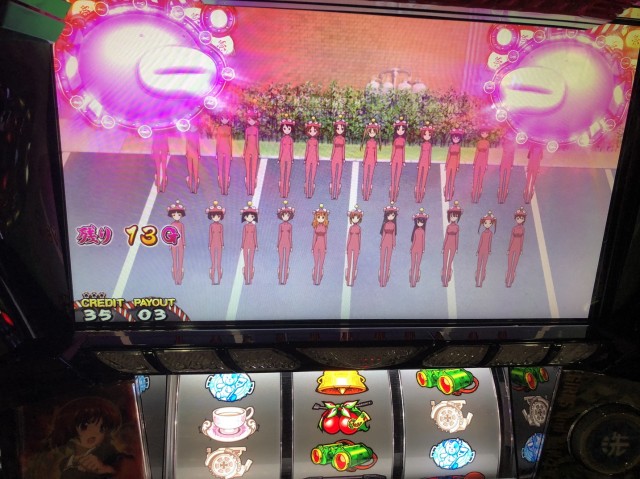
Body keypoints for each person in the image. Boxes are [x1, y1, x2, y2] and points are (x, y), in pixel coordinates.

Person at [49, 396, 131, 479]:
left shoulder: (110, 453)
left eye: (101, 428)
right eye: (84, 427)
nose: (94, 433)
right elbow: (64, 463)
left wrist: (105, 469)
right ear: (69, 429)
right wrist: (75, 460)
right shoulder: (67, 458)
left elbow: (124, 470)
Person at [442, 200, 462, 287]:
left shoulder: (457, 227)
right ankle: (444, 278)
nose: (453, 217)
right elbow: (446, 237)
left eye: (455, 216)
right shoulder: (448, 226)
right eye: (452, 216)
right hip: (447, 245)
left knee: (449, 263)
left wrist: (457, 248)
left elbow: (457, 238)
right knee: (445, 262)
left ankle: (447, 277)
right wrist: (443, 247)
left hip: (453, 246)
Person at [360, 118, 380, 201]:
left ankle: (368, 189)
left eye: (373, 133)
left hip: (372, 160)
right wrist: (364, 160)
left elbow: (375, 153)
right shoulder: (368, 142)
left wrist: (375, 161)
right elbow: (365, 152)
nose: (372, 134)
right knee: (365, 175)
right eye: (370, 132)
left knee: (370, 175)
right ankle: (364, 187)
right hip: (367, 160)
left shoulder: (375, 143)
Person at [379, 202, 399, 287]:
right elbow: (383, 235)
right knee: (382, 260)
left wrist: (394, 244)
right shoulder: (385, 224)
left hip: (390, 242)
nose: (391, 217)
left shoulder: (394, 225)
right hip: (384, 242)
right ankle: (381, 279)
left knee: (388, 261)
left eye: (393, 215)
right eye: (389, 215)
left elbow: (394, 235)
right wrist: (381, 244)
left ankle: (385, 278)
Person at [506, 207, 526, 287]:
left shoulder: (523, 229)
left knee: (514, 265)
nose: (519, 220)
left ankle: (511, 280)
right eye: (518, 218)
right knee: (509, 264)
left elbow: (522, 239)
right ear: (516, 219)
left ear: (523, 219)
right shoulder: (514, 228)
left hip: (518, 247)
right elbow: (511, 238)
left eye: (521, 218)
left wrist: (521, 249)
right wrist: (508, 249)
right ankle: (507, 279)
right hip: (512, 246)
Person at [475, 211, 497, 287]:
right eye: (485, 223)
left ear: (491, 224)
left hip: (486, 251)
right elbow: (480, 242)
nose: (487, 224)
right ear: (483, 223)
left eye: (489, 223)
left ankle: (480, 282)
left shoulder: (490, 233)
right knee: (478, 266)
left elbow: (490, 242)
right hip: (481, 250)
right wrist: (478, 251)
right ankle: (477, 281)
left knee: (483, 266)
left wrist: (489, 250)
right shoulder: (483, 233)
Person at [167, 200, 186, 285]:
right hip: (174, 244)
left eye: (179, 214)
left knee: (180, 261)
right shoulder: (172, 224)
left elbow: (183, 234)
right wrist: (170, 244)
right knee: (175, 261)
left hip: (181, 244)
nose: (176, 216)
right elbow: (170, 235)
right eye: (174, 215)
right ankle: (175, 279)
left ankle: (180, 279)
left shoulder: (181, 225)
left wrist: (184, 243)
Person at [389, 117, 407, 203]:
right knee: (393, 177)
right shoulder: (395, 140)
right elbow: (393, 150)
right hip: (395, 158)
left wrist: (403, 161)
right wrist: (391, 160)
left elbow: (403, 151)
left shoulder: (403, 140)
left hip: (400, 159)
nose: (400, 131)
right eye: (398, 129)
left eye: (402, 129)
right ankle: (392, 193)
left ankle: (395, 194)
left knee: (398, 177)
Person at [206, 201, 225, 285]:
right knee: (213, 263)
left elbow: (221, 236)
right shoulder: (211, 226)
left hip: (219, 244)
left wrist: (222, 244)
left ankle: (219, 280)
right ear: (211, 217)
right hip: (213, 244)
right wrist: (209, 245)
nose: (216, 217)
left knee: (218, 263)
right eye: (214, 216)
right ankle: (213, 280)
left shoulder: (221, 226)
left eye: (218, 216)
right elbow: (210, 236)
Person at [277, 201, 295, 285]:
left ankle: (285, 279)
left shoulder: (290, 226)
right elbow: (279, 236)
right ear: (281, 216)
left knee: (286, 261)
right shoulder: (280, 225)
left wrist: (291, 246)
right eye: (284, 215)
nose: (285, 217)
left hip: (287, 244)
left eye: (287, 215)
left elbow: (290, 236)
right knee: (281, 261)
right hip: (281, 243)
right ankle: (280, 278)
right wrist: (278, 245)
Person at [415, 123, 434, 203]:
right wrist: (418, 163)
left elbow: (429, 155)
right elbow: (421, 154)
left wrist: (429, 164)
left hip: (426, 162)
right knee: (419, 178)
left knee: (424, 179)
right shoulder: (422, 144)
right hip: (422, 161)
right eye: (425, 134)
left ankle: (421, 193)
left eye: (428, 135)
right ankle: (417, 194)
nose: (427, 136)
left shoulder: (429, 145)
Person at [444, 127, 464, 202]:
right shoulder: (451, 146)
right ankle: (446, 196)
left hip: (455, 164)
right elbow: (448, 156)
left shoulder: (459, 147)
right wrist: (446, 165)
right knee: (447, 180)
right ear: (452, 138)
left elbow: (459, 157)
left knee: (452, 181)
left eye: (457, 138)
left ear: (459, 139)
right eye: (454, 138)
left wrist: (458, 166)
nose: (455, 139)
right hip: (449, 163)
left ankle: (450, 196)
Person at [242, 111, 260, 196]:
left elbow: (257, 142)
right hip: (248, 151)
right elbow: (246, 142)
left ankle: (253, 186)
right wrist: (244, 152)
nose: (251, 121)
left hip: (254, 151)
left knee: (253, 169)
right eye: (249, 120)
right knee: (248, 169)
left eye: (252, 120)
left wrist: (258, 152)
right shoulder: (247, 130)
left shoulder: (256, 130)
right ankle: (248, 184)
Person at [345, 205, 363, 287]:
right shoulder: (351, 228)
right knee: (349, 263)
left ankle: (352, 279)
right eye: (353, 218)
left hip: (356, 246)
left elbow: (359, 239)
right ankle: (348, 278)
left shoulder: (359, 228)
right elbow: (348, 238)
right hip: (350, 246)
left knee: (354, 263)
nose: (355, 219)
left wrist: (359, 249)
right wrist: (347, 248)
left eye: (357, 218)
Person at [215, 112, 233, 195]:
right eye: (223, 119)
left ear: (228, 120)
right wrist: (216, 152)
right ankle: (223, 187)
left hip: (226, 149)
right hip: (221, 149)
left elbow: (230, 141)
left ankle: (225, 188)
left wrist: (231, 154)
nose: (224, 120)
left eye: (225, 119)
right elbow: (218, 141)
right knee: (221, 169)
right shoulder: (220, 128)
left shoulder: (229, 129)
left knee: (225, 169)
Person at [311, 204, 330, 285]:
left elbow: (325, 238)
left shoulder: (325, 228)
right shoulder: (316, 227)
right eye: (319, 217)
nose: (321, 219)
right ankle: (315, 278)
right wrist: (312, 247)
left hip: (322, 245)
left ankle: (319, 278)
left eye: (322, 217)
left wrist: (325, 248)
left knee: (321, 263)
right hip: (316, 245)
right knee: (316, 263)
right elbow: (314, 238)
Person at [241, 202, 258, 285]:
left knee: (250, 262)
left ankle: (250, 278)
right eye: (248, 216)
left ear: (254, 217)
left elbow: (255, 236)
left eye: (252, 216)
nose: (250, 218)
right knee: (246, 262)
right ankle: (245, 277)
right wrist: (242, 246)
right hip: (245, 245)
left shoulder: (254, 227)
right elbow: (243, 236)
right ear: (245, 217)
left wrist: (256, 245)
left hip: (252, 245)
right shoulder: (245, 227)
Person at [330, 115, 347, 200]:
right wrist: (331, 157)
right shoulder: (335, 139)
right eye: (338, 128)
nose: (339, 130)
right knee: (333, 174)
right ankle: (332, 188)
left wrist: (343, 158)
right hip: (335, 157)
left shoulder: (343, 139)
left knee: (339, 174)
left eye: (341, 129)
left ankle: (337, 191)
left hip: (340, 157)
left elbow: (343, 149)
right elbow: (333, 148)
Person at [410, 208, 428, 287]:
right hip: (414, 248)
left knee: (417, 264)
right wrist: (411, 248)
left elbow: (423, 241)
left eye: (421, 222)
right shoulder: (416, 231)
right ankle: (412, 280)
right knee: (413, 264)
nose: (420, 223)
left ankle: (415, 278)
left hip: (420, 249)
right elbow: (414, 241)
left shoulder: (422, 231)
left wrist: (423, 249)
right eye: (418, 222)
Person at [471, 128, 490, 203]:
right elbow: (476, 152)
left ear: (487, 134)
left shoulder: (487, 143)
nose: (484, 135)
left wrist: (486, 163)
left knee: (481, 176)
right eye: (483, 133)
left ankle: (479, 190)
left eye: (486, 133)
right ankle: (474, 190)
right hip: (478, 159)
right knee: (475, 176)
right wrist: (474, 162)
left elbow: (487, 153)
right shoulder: (479, 142)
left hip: (483, 160)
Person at [278, 114, 295, 198]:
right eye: (285, 128)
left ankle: (286, 191)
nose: (287, 130)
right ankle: (282, 191)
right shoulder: (282, 139)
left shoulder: (291, 140)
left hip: (288, 158)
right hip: (283, 158)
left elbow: (291, 150)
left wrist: (292, 158)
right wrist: (279, 158)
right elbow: (281, 150)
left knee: (287, 174)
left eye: (289, 129)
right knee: (282, 174)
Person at [304, 117, 321, 199]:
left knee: (313, 174)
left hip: (314, 159)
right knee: (308, 174)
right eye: (311, 131)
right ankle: (307, 188)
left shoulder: (316, 142)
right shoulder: (308, 141)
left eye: (314, 131)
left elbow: (317, 151)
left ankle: (311, 189)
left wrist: (317, 160)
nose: (312, 132)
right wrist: (305, 159)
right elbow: (306, 151)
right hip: (308, 159)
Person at [498, 132, 516, 204]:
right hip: (506, 163)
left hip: (506, 163)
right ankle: (502, 192)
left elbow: (511, 156)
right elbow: (511, 156)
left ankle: (503, 191)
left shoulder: (507, 145)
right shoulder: (507, 145)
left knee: (504, 178)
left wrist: (511, 165)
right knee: (504, 178)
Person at [185, 120, 201, 194]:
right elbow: (198, 144)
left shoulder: (188, 134)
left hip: (189, 153)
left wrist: (186, 152)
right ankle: (195, 188)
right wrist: (199, 153)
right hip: (195, 153)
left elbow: (187, 144)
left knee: (190, 171)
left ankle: (190, 186)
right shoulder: (196, 134)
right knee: (195, 171)